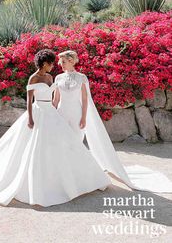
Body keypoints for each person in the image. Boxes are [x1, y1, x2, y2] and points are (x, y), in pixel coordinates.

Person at [0, 49, 112, 207]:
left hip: (51, 113)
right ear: (44, 63)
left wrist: (58, 112)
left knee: (63, 144)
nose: (54, 66)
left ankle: (72, 177)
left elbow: (56, 98)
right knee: (35, 146)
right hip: (37, 112)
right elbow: (29, 100)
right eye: (51, 63)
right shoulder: (33, 78)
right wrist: (30, 118)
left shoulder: (50, 77)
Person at [52, 50, 172, 194]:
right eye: (60, 62)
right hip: (61, 114)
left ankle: (78, 173)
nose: (61, 64)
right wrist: (51, 114)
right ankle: (64, 173)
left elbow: (84, 100)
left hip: (76, 113)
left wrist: (84, 117)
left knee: (77, 142)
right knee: (63, 142)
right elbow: (56, 99)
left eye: (63, 61)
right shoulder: (58, 78)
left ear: (71, 61)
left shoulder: (81, 78)